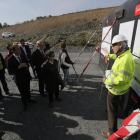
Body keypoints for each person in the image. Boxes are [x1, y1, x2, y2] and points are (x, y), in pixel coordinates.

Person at [101, 35, 135, 138]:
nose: (112, 48)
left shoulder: (125, 60)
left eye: (113, 45)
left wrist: (107, 81)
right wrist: (109, 56)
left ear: (120, 45)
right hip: (119, 89)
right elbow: (117, 57)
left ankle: (111, 132)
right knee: (113, 107)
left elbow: (121, 79)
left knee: (111, 110)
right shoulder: (124, 55)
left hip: (116, 90)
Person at [8, 45, 37, 111]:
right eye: (18, 49)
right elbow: (10, 72)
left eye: (20, 49)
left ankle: (29, 99)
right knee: (22, 92)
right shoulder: (10, 59)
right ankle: (24, 104)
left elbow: (27, 65)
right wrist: (19, 67)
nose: (20, 50)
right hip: (19, 79)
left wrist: (26, 65)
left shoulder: (23, 56)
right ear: (13, 51)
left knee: (27, 89)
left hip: (26, 76)